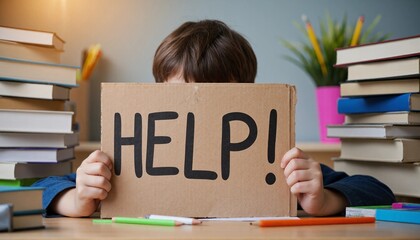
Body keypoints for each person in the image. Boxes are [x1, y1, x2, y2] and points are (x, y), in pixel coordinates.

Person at [33, 19, 395, 217]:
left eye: (216, 100)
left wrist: (322, 199)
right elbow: (36, 191)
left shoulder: (271, 162)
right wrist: (78, 199)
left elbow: (377, 190)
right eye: (181, 97)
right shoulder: (131, 160)